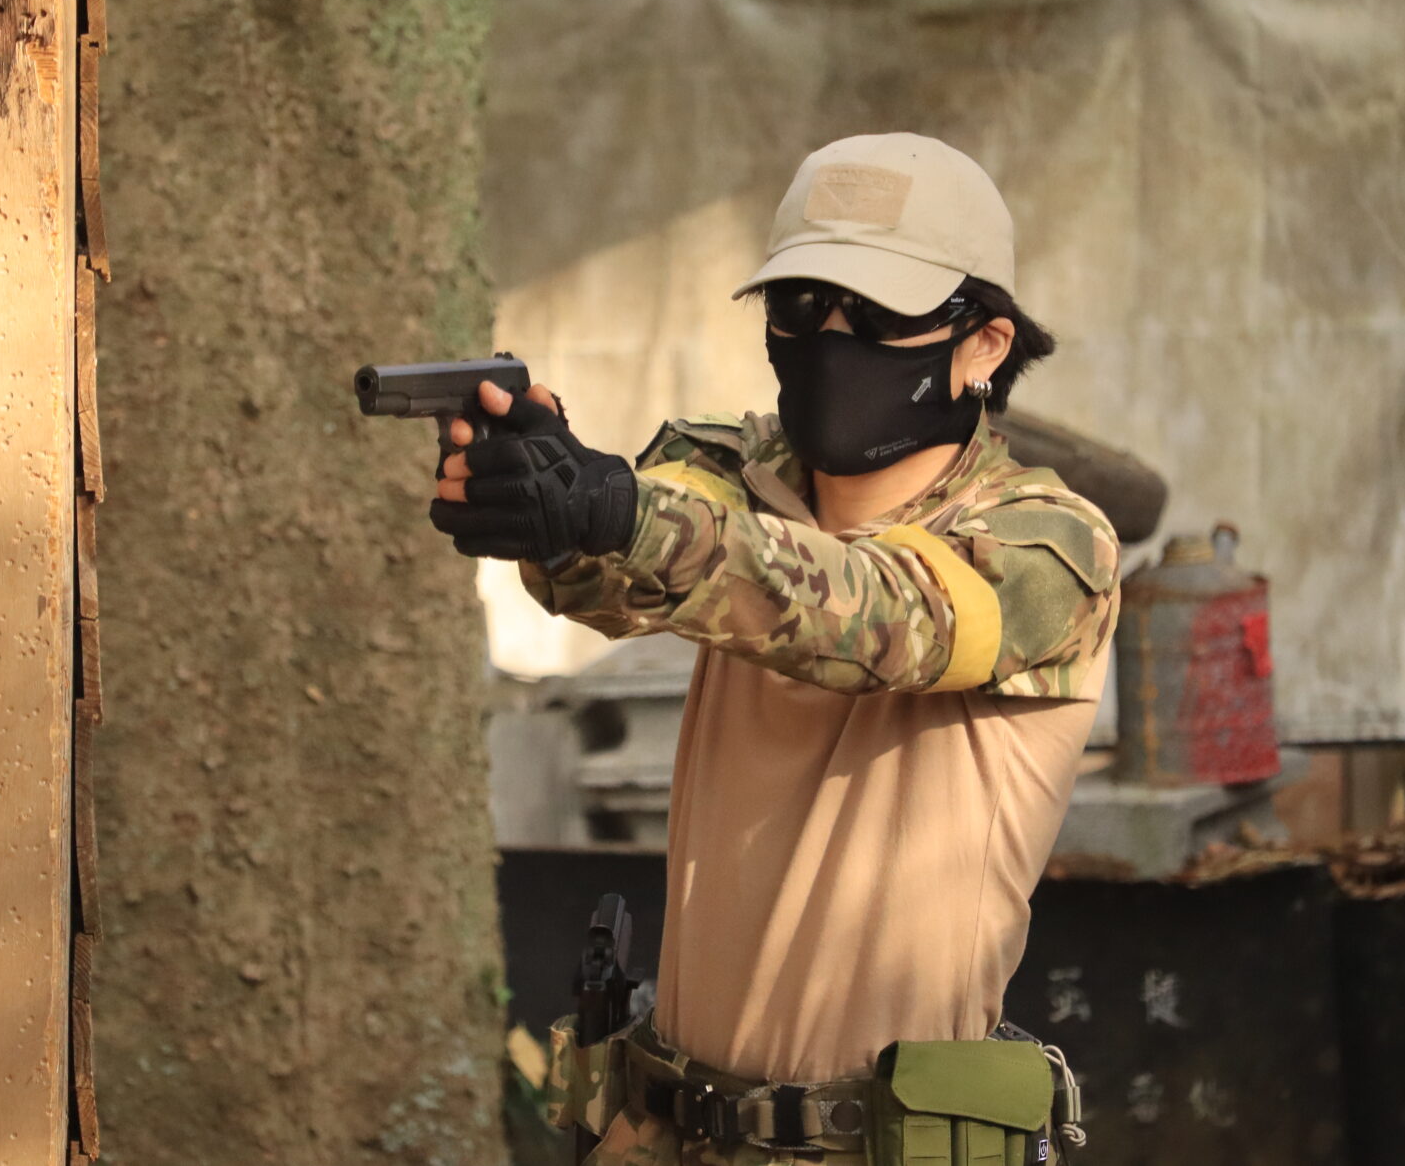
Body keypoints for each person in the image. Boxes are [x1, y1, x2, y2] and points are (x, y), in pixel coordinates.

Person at [429, 134, 1119, 1166]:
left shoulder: (1047, 545)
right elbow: (617, 573)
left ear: (983, 344)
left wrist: (616, 512)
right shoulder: (730, 470)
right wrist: (545, 491)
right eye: (801, 304)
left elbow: (875, 617)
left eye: (876, 312)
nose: (832, 338)